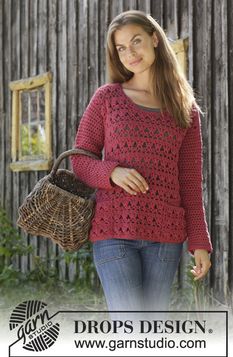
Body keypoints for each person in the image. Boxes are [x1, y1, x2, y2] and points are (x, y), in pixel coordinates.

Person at [70, 10, 212, 317]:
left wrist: (199, 241)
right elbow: (80, 161)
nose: (130, 53)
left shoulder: (184, 109)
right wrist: (112, 173)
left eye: (136, 41)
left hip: (165, 237)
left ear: (155, 40)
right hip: (114, 230)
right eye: (121, 48)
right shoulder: (108, 98)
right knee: (130, 326)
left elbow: (189, 180)